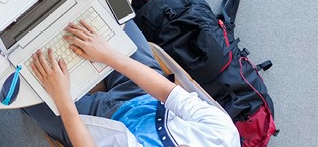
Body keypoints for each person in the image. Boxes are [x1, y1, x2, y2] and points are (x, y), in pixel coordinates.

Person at [23, 21, 239, 146]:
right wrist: (108, 54)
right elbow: (167, 91)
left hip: (92, 126)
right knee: (111, 16)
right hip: (141, 92)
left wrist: (62, 99)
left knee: (17, 83)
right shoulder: (222, 135)